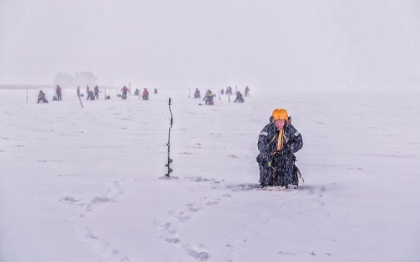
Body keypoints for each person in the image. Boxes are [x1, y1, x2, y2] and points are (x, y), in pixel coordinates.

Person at [256, 109, 303, 188]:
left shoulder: (290, 130)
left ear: (286, 121)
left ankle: (288, 182)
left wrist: (290, 150)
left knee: (287, 162)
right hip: (270, 156)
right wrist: (266, 154)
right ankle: (266, 182)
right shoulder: (267, 129)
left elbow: (299, 141)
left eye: (281, 121)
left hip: (284, 156)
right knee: (267, 163)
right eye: (277, 121)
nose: (279, 124)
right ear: (273, 121)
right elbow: (261, 142)